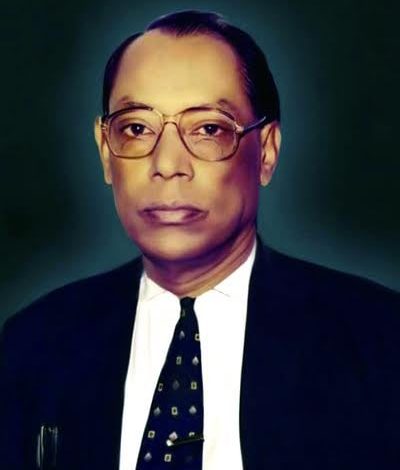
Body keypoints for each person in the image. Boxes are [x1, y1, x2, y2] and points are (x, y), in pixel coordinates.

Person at [1, 9, 399, 470]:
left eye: (208, 129)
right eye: (136, 129)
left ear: (266, 151)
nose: (168, 164)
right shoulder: (34, 345)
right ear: (106, 151)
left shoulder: (379, 342)